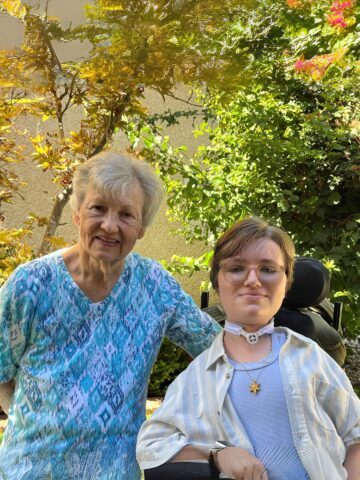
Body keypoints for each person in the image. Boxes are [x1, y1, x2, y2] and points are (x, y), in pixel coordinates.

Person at [0, 151, 221, 479]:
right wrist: (36, 418)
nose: (109, 225)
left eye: (126, 214)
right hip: (30, 469)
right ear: (77, 213)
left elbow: (218, 351)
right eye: (98, 208)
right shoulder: (30, 284)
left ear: (141, 227)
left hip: (115, 472)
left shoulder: (154, 286)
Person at [137, 217, 360, 480]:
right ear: (217, 282)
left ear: (286, 281)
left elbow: (355, 434)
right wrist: (215, 454)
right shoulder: (196, 378)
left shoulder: (311, 359)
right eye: (236, 268)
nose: (253, 280)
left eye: (267, 269)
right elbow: (151, 446)